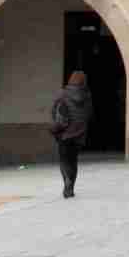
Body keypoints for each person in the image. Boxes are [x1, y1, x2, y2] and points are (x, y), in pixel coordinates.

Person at [49, 70, 91, 199]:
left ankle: (66, 181)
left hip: (65, 134)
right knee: (73, 161)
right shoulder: (87, 96)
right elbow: (89, 113)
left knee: (64, 160)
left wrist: (55, 127)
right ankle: (71, 187)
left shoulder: (62, 94)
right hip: (79, 134)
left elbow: (54, 110)